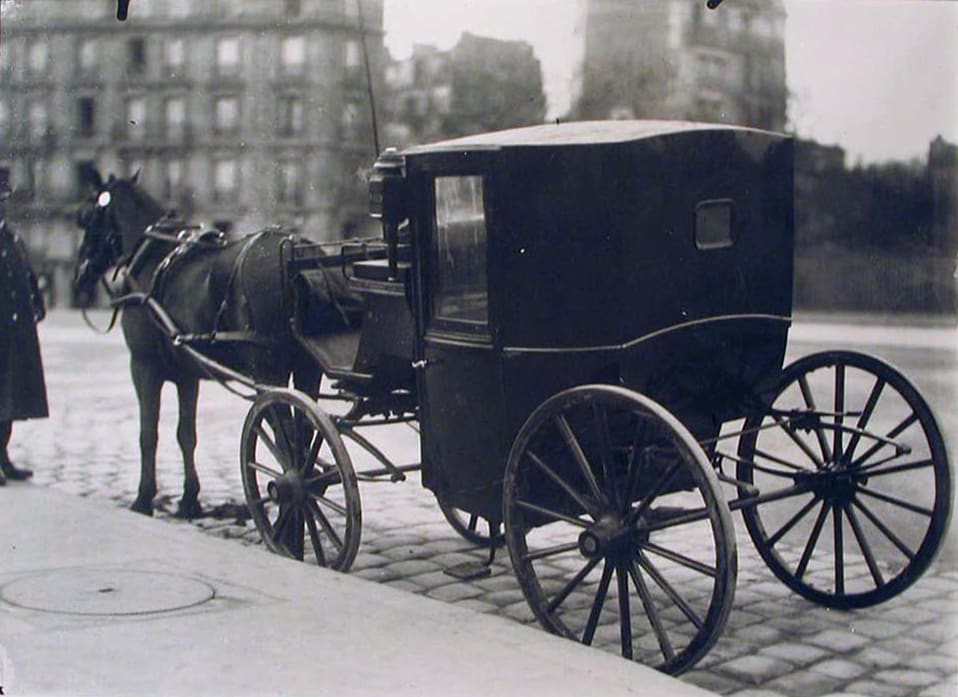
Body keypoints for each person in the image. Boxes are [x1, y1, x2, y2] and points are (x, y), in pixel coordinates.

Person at [0, 177, 48, 485]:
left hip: (14, 330)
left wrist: (37, 303)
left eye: (3, 200)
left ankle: (3, 457)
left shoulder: (12, 239)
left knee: (10, 399)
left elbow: (27, 277)